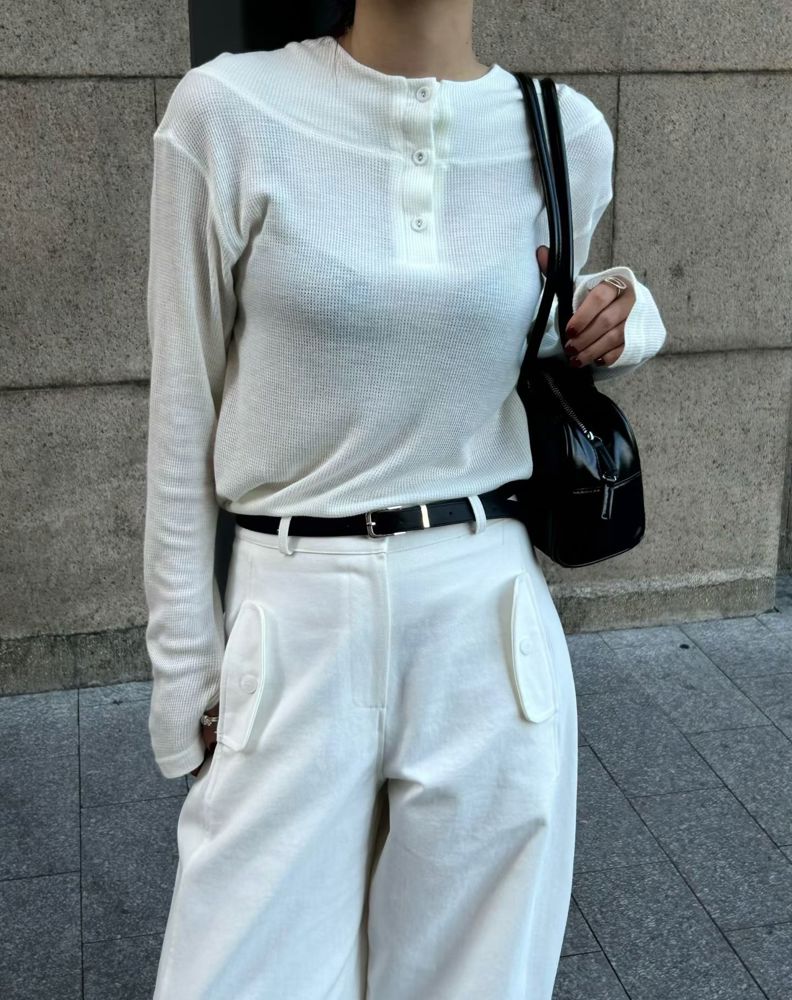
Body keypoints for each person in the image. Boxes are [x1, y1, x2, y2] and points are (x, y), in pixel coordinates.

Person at [143, 1, 667, 997]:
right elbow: (180, 415)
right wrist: (187, 675)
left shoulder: (565, 133)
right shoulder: (228, 111)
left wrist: (629, 318)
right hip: (292, 613)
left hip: (485, 617)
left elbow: (512, 326)